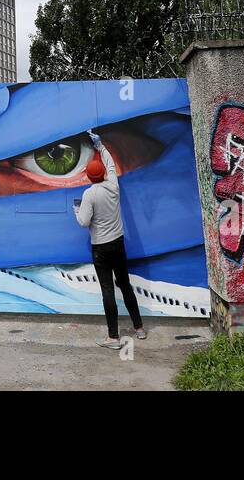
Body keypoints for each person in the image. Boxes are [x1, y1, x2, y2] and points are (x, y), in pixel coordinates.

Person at [73, 130, 145, 348]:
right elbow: (111, 164)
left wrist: (76, 210)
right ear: (103, 173)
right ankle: (139, 328)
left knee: (107, 290)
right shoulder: (113, 185)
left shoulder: (89, 194)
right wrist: (100, 146)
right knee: (125, 284)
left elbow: (84, 222)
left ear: (88, 177)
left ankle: (113, 337)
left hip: (100, 249)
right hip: (118, 243)